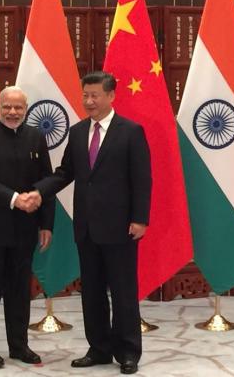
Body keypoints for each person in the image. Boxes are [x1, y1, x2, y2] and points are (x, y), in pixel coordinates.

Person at [28, 71, 151, 375]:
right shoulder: (78, 131)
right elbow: (65, 172)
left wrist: (140, 219)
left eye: (95, 95)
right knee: (92, 292)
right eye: (85, 95)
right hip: (86, 227)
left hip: (121, 227)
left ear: (111, 96)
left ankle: (128, 352)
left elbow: (142, 179)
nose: (89, 101)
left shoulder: (131, 131)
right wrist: (39, 191)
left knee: (123, 292)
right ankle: (99, 348)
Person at [0, 86, 54, 369]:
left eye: (18, 107)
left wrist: (46, 224)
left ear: (26, 109)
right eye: (7, 107)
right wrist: (15, 199)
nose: (13, 112)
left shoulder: (36, 137)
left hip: (25, 229)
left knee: (19, 290)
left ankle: (19, 346)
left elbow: (46, 182)